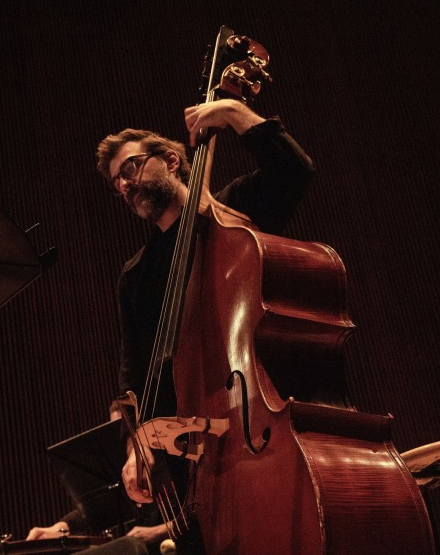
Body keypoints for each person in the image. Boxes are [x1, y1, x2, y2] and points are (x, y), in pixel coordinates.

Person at [95, 98, 314, 505]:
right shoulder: (135, 277)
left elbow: (294, 171)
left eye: (131, 167)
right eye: (117, 183)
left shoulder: (230, 215)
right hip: (194, 457)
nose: (125, 185)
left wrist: (234, 112)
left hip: (258, 422)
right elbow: (136, 374)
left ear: (172, 161)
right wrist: (135, 445)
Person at [25, 402, 170, 551]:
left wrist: (157, 532)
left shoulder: (168, 457)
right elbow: (98, 509)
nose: (123, 438)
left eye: (125, 431)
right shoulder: (124, 469)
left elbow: (193, 512)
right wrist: (58, 529)